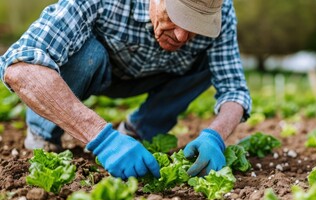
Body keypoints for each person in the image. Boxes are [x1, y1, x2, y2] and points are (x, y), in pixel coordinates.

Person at [0, 0, 251, 179]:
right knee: (88, 55)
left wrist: (215, 136)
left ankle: (137, 133)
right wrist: (102, 138)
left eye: (196, 25)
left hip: (157, 74)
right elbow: (19, 66)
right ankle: (43, 133)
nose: (182, 35)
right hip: (96, 68)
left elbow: (234, 90)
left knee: (208, 61)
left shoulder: (221, 11)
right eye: (177, 17)